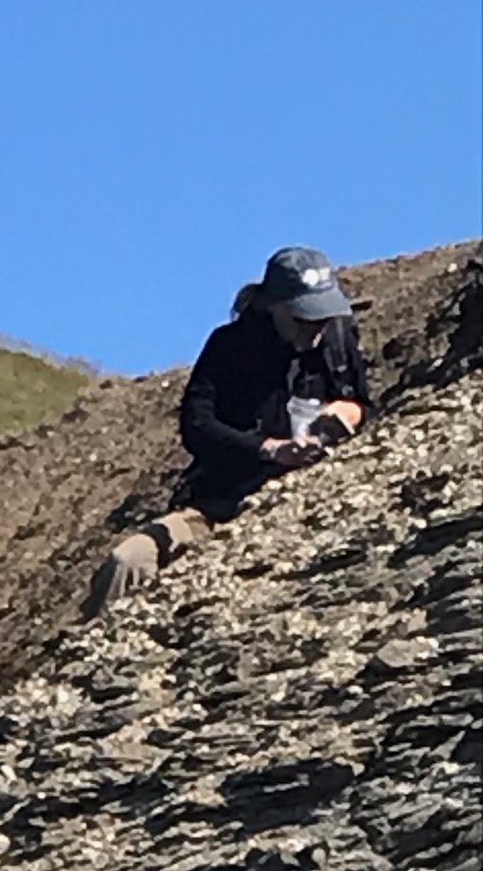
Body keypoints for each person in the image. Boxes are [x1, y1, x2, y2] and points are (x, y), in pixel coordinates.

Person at [88, 247, 372, 611]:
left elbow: (363, 403)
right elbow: (197, 425)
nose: (315, 329)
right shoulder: (230, 347)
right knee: (126, 562)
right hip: (220, 504)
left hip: (314, 499)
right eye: (304, 318)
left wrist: (345, 414)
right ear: (273, 306)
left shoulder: (337, 338)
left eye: (323, 315)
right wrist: (267, 448)